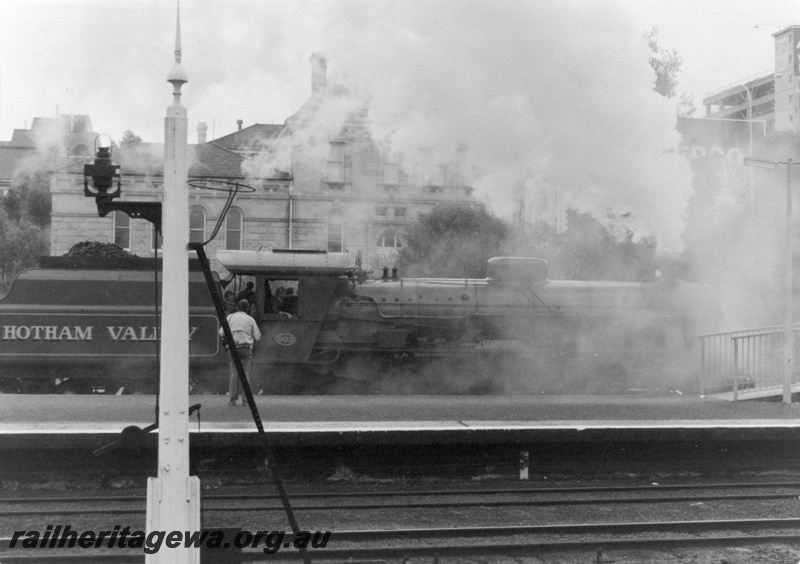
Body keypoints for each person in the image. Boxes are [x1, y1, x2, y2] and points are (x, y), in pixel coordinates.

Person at [219, 299, 261, 406]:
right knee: (245, 374)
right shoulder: (250, 319)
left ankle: (232, 400)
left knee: (234, 373)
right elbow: (257, 336)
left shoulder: (230, 317)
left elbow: (221, 332)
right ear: (247, 309)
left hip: (232, 348)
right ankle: (246, 401)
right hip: (246, 348)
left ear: (237, 308)